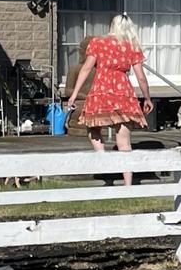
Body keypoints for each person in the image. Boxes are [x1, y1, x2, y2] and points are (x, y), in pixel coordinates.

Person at [64, 15, 154, 186]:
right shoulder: (131, 45)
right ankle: (128, 186)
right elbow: (141, 77)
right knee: (124, 143)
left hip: (101, 90)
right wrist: (147, 98)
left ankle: (103, 159)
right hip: (123, 92)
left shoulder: (98, 42)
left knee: (93, 127)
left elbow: (86, 69)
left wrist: (74, 94)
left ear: (112, 25)